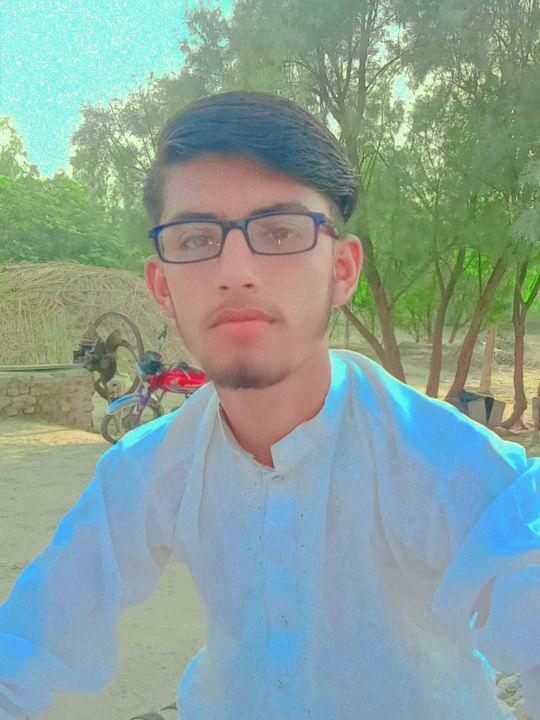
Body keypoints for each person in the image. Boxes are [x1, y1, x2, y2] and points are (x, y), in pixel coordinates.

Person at [1, 91, 539, 720]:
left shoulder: (447, 466)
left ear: (342, 270)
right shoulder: (150, 471)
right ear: (162, 286)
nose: (236, 271)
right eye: (196, 238)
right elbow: (24, 645)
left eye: (279, 231)